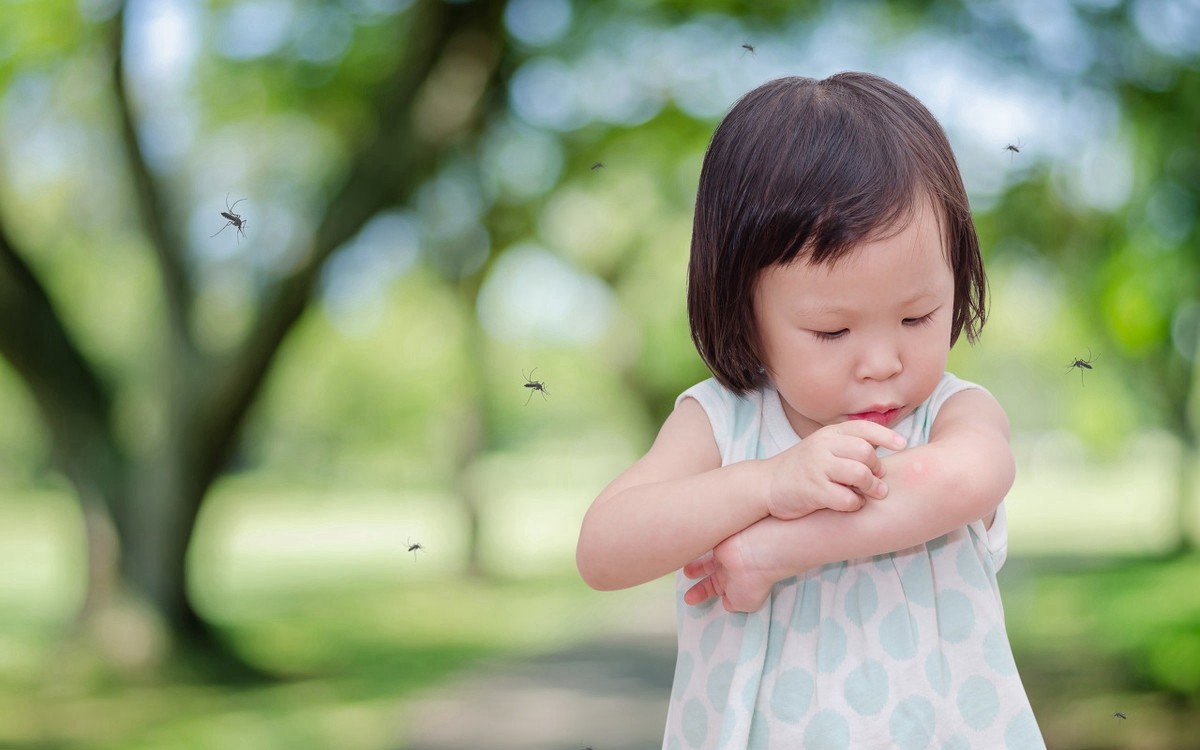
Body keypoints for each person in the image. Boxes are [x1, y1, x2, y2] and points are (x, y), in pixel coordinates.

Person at [576, 72, 1045, 749]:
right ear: (745, 311)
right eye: (833, 331)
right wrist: (767, 483)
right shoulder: (723, 423)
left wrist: (775, 549)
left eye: (918, 316)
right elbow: (603, 549)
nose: (882, 361)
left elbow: (969, 480)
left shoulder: (949, 415)